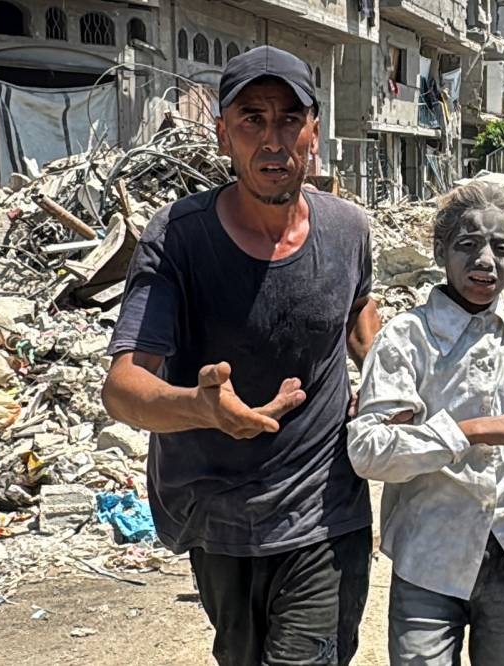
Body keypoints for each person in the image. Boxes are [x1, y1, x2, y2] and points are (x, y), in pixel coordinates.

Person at [100, 46, 380, 666]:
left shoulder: (348, 230)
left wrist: (397, 381)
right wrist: (202, 408)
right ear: (223, 134)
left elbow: (360, 321)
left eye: (288, 119)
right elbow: (122, 387)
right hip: (220, 515)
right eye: (251, 119)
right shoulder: (179, 237)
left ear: (314, 130)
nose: (272, 140)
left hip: (325, 512)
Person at [347, 182, 504, 665]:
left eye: (500, 248)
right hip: (429, 561)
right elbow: (367, 449)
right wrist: (469, 430)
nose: (484, 259)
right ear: (440, 251)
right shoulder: (407, 339)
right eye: (467, 245)